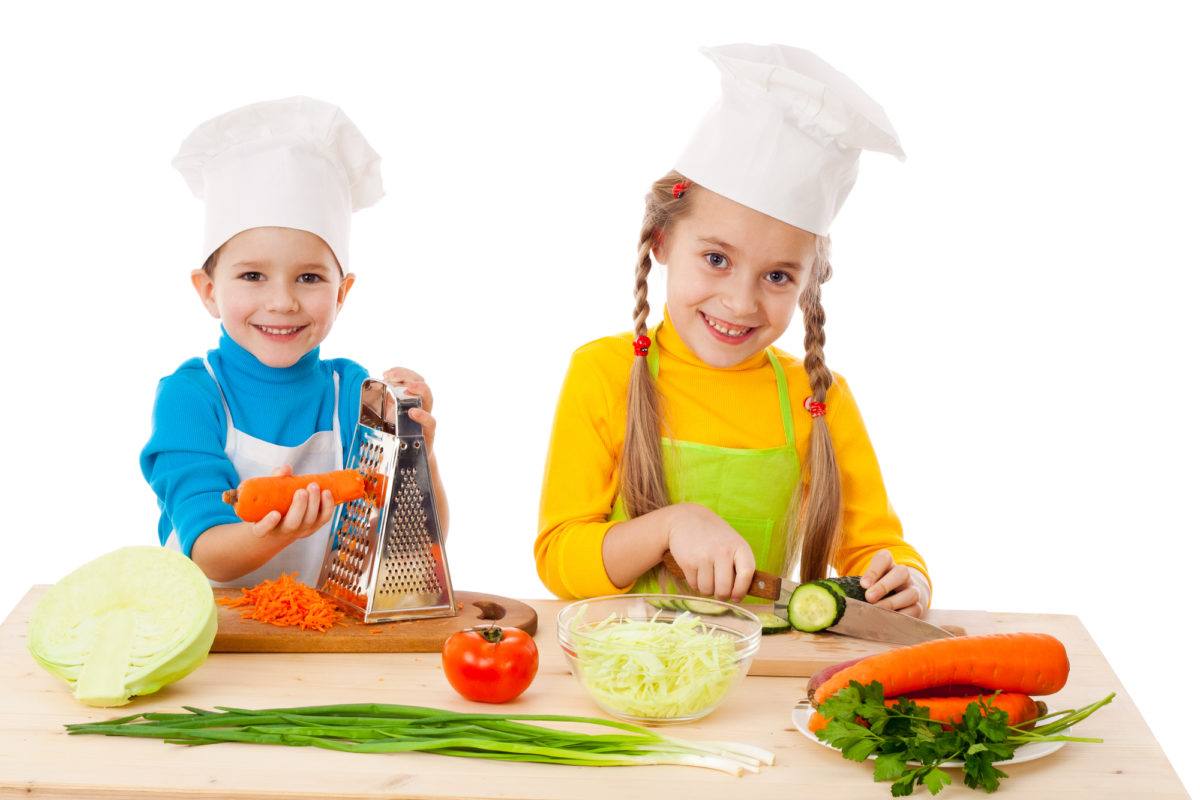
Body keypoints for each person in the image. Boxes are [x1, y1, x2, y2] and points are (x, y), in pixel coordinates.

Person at [536, 45, 930, 617]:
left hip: (758, 675)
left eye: (777, 275)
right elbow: (559, 559)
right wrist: (673, 525)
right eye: (717, 259)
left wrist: (907, 579)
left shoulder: (819, 401)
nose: (741, 302)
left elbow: (876, 548)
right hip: (621, 674)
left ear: (808, 283)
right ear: (662, 241)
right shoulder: (603, 373)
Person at [141, 96, 446, 586]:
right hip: (213, 645)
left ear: (342, 292)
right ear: (208, 290)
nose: (281, 302)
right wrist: (280, 530)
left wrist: (418, 454)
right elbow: (208, 554)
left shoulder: (353, 391)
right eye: (253, 275)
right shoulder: (191, 397)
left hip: (318, 640)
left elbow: (416, 546)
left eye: (308, 277)